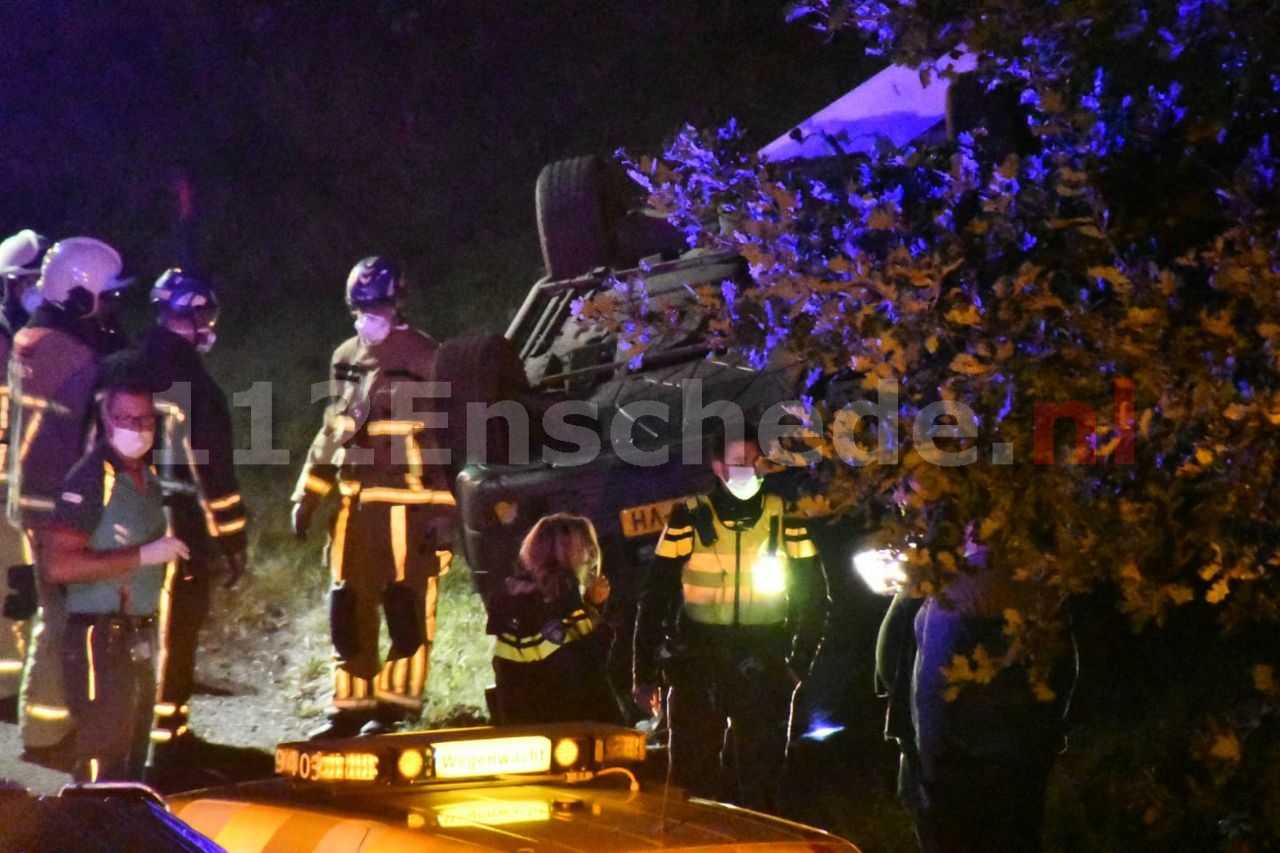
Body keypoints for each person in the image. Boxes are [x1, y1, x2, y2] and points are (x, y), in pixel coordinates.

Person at [291, 255, 456, 738]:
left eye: (378, 304)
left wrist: (446, 513)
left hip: (411, 507)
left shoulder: (429, 357)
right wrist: (308, 493)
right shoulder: (345, 357)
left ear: (399, 302)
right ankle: (350, 705)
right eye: (361, 306)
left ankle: (395, 707)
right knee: (348, 605)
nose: (370, 315)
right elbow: (332, 429)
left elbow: (446, 442)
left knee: (407, 605)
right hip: (356, 506)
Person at [632, 422, 829, 813]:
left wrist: (796, 668)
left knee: (761, 790)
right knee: (692, 790)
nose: (750, 470)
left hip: (764, 666)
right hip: (699, 666)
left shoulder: (783, 517)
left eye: (756, 461)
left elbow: (816, 598)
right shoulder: (688, 518)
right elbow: (655, 597)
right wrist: (644, 674)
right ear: (718, 468)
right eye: (740, 461)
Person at [8, 236, 132, 766]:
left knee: (51, 614)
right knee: (65, 619)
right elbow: (96, 428)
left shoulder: (27, 339)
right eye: (106, 298)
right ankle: (50, 736)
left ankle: (41, 729)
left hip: (28, 502)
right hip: (59, 504)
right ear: (82, 298)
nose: (111, 307)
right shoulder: (77, 357)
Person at [46, 350, 189, 781]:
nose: (139, 429)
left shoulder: (147, 480)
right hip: (100, 639)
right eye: (127, 420)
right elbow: (58, 566)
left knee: (132, 761)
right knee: (102, 761)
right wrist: (141, 556)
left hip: (140, 636)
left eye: (146, 420)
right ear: (107, 421)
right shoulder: (92, 479)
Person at [139, 268, 249, 769]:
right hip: (177, 523)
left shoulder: (126, 363)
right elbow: (212, 468)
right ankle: (168, 742)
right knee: (176, 629)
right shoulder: (194, 382)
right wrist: (232, 536)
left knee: (135, 628)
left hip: (123, 517)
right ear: (197, 312)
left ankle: (137, 729)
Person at [896, 566, 1076, 853]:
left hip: (963, 763)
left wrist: (930, 764)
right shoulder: (1041, 580)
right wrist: (1047, 737)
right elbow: (1064, 668)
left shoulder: (959, 592)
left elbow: (933, 688)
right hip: (1021, 757)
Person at [489, 514, 623, 725]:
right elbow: (587, 665)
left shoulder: (516, 596)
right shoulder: (560, 597)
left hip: (524, 724)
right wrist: (601, 623)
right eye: (584, 548)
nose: (592, 557)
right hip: (573, 725)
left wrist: (591, 604)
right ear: (562, 552)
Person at [0, 229, 47, 720]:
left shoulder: (28, 337)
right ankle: (7, 691)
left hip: (23, 485)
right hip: (5, 488)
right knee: (11, 587)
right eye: (32, 280)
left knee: (21, 585)